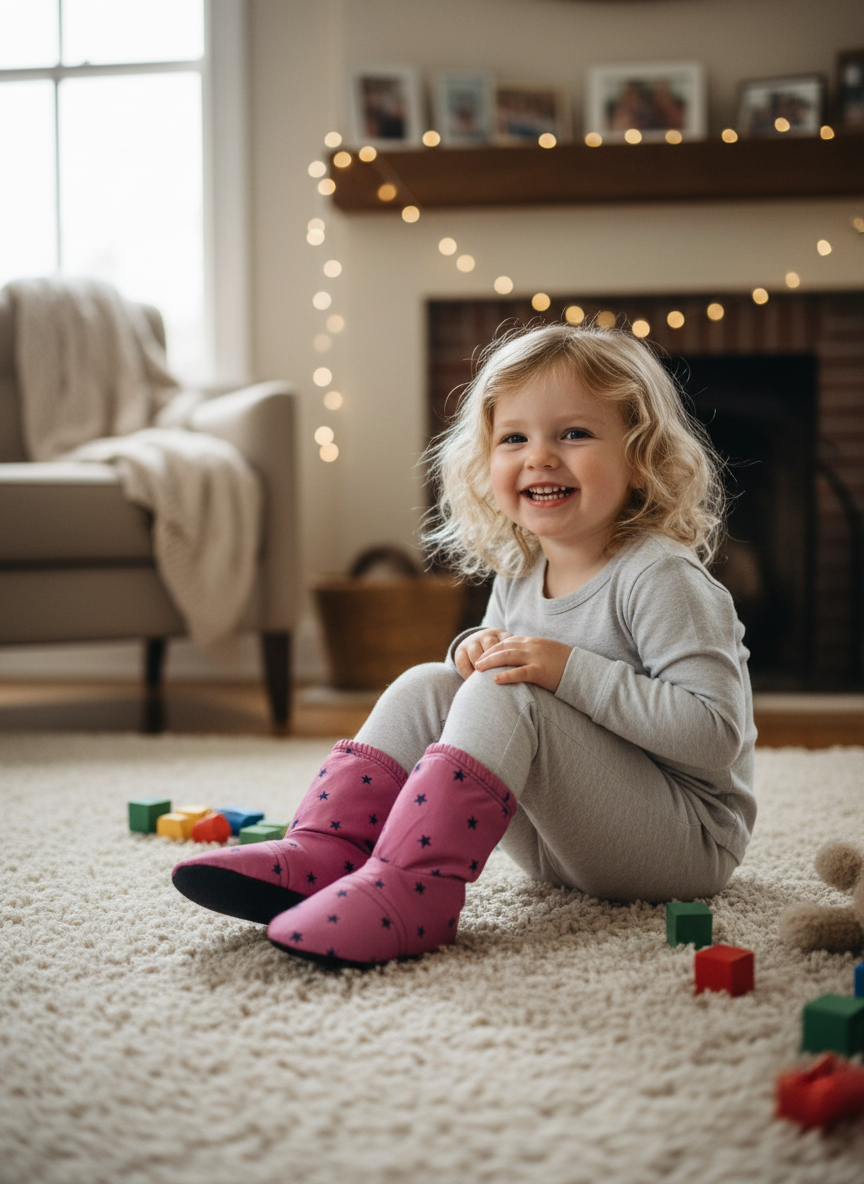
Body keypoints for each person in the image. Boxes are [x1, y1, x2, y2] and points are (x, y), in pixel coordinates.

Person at [173, 322, 757, 969]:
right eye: (514, 438)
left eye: (573, 433)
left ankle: (412, 889)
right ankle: (328, 849)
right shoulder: (522, 570)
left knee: (514, 695)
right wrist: (473, 650)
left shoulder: (661, 576)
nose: (540, 456)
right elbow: (494, 680)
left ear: (640, 459)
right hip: (559, 842)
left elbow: (713, 734)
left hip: (684, 844)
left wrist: (567, 670)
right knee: (429, 681)